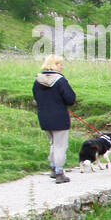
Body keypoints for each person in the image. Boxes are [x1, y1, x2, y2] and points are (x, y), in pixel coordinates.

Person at [32, 55, 77, 183]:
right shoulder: (60, 80)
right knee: (60, 146)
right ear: (55, 65)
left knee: (53, 143)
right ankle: (59, 172)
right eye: (60, 64)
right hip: (59, 117)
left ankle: (53, 167)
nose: (62, 66)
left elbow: (36, 97)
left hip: (44, 116)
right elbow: (70, 99)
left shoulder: (38, 80)